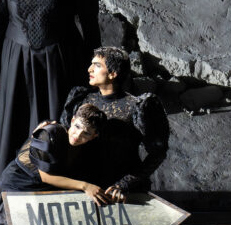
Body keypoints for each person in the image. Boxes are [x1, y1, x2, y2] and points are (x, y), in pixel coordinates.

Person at [0, 0, 101, 189]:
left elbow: (90, 27)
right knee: (15, 119)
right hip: (16, 60)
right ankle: (9, 189)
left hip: (60, 59)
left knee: (57, 118)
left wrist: (93, 67)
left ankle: (58, 187)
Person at [60, 46, 170, 196]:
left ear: (113, 73)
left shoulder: (138, 106)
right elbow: (64, 136)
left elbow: (158, 153)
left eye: (97, 65)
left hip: (119, 192)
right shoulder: (81, 98)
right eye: (92, 64)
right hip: (83, 187)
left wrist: (124, 184)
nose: (89, 69)